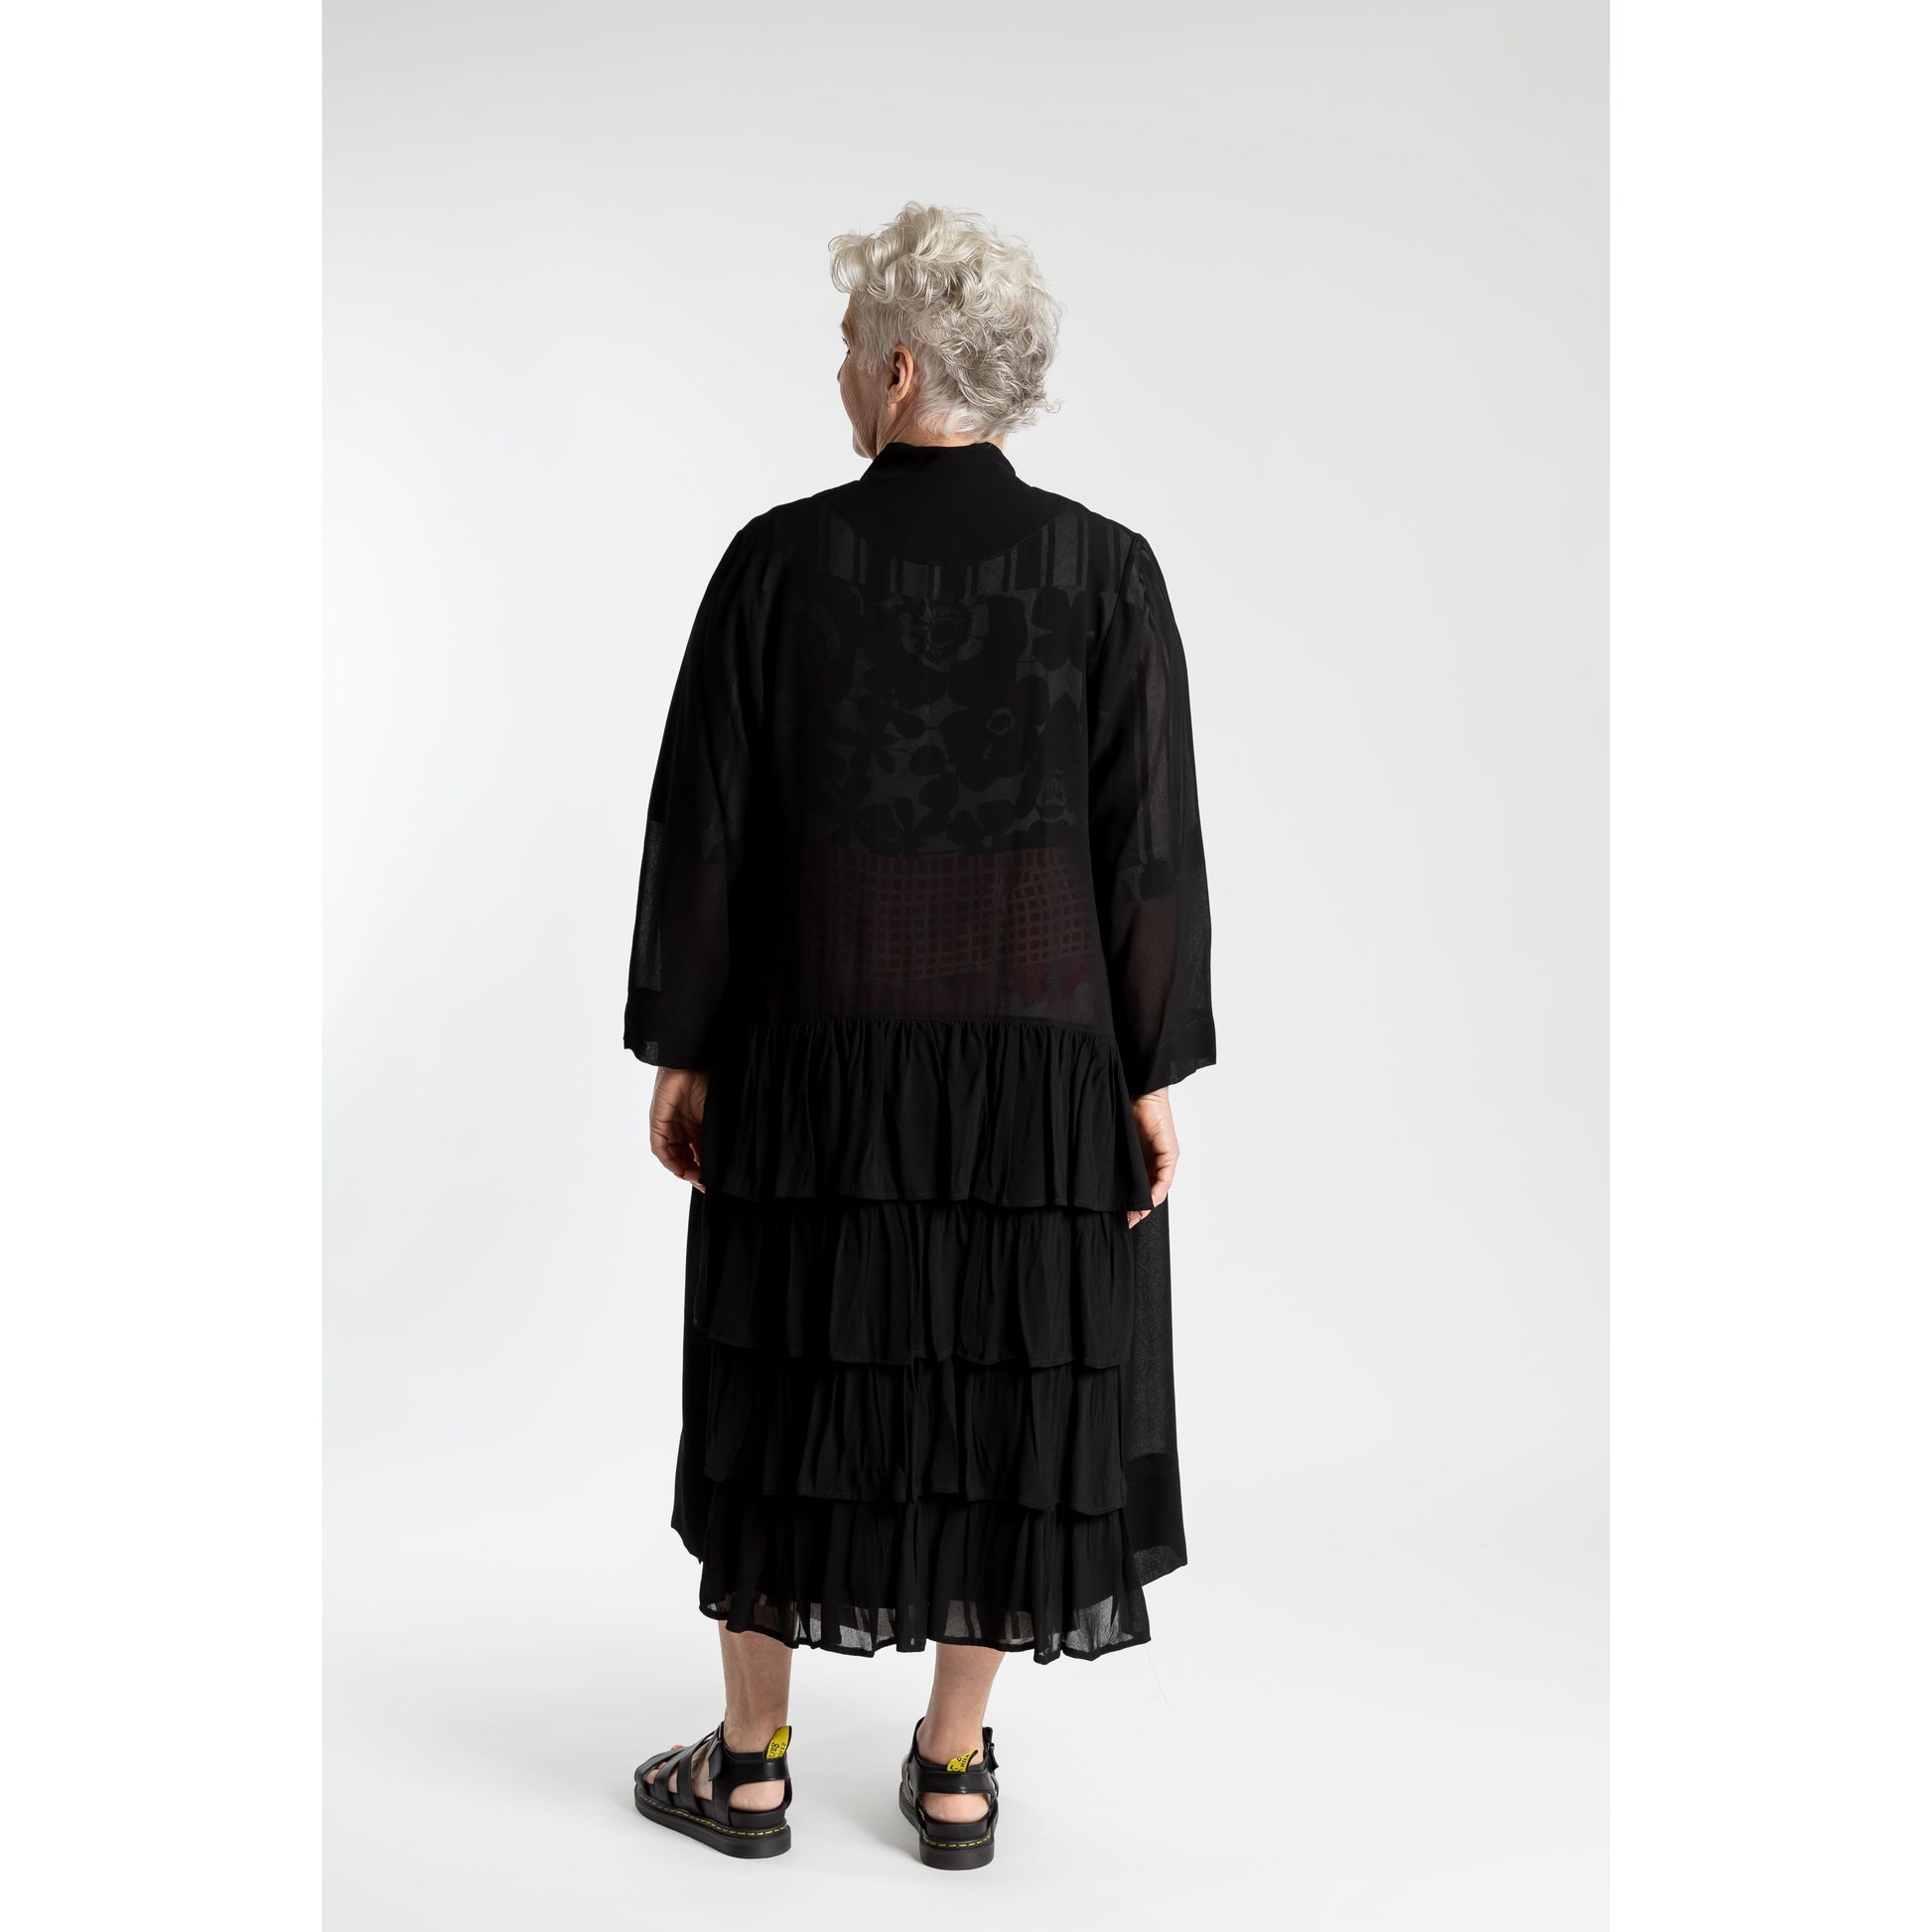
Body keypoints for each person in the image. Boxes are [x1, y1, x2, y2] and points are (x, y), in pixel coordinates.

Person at [623, 202, 1214, 1868]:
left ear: (896, 373)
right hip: (1036, 1076)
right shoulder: (1103, 572)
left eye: (844, 347)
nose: (837, 371)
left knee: (784, 1376)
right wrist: (1146, 1070)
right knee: (1003, 1394)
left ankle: (750, 1763)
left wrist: (684, 1042)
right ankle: (952, 1768)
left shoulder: (775, 563)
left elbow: (707, 826)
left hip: (813, 1067)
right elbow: (1147, 845)